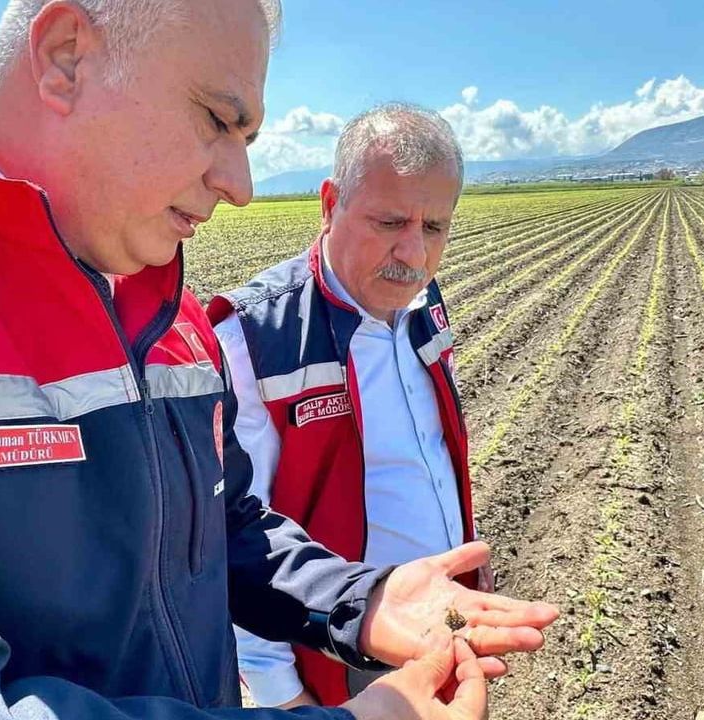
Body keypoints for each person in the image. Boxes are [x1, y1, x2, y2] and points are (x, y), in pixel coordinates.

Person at [0, 2, 557, 718]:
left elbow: (225, 526)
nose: (240, 185)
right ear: (64, 56)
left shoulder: (164, 314)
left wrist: (357, 601)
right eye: (219, 120)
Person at [210, 104, 496, 709]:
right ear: (329, 203)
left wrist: (465, 561)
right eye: (390, 221)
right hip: (342, 657)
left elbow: (430, 450)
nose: (414, 255)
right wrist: (282, 698)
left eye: (435, 227)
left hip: (441, 617)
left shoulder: (422, 305)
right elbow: (236, 534)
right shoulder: (256, 338)